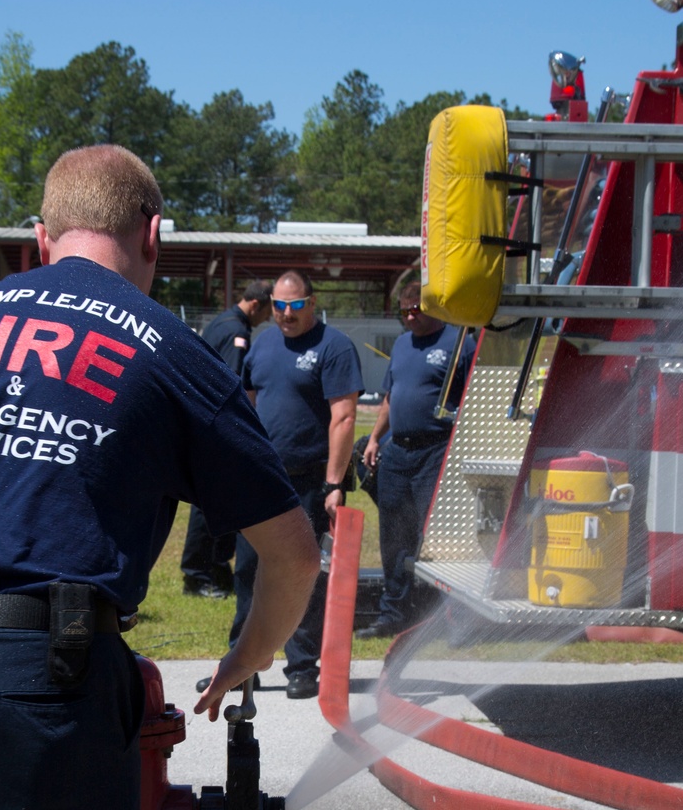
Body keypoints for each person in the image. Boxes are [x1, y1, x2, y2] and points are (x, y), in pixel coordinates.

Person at [0, 145, 319, 810]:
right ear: (153, 233)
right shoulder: (171, 350)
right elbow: (293, 555)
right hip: (46, 675)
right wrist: (246, 657)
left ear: (44, 237)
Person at [199, 270, 363, 700]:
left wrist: (333, 483)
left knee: (301, 572)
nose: (286, 314)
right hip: (261, 478)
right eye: (279, 306)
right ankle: (241, 662)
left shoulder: (334, 347)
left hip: (309, 480)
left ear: (311, 302)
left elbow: (343, 417)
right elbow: (248, 405)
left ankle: (302, 665)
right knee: (249, 571)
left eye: (294, 306)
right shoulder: (264, 344)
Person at [358, 282, 476, 638]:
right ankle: (394, 612)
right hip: (398, 452)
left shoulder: (459, 343)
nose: (410, 316)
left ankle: (453, 619)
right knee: (394, 535)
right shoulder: (401, 344)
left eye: (417, 310)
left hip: (437, 451)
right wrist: (375, 439)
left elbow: (473, 395)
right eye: (405, 310)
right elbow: (391, 398)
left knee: (440, 538)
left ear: (433, 308)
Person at [181, 279, 273, 598]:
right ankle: (197, 575)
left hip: (203, 420)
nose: (268, 321)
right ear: (256, 305)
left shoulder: (220, 320)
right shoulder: (238, 333)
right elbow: (234, 386)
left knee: (214, 503)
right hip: (216, 426)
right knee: (210, 506)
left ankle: (215, 568)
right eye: (267, 313)